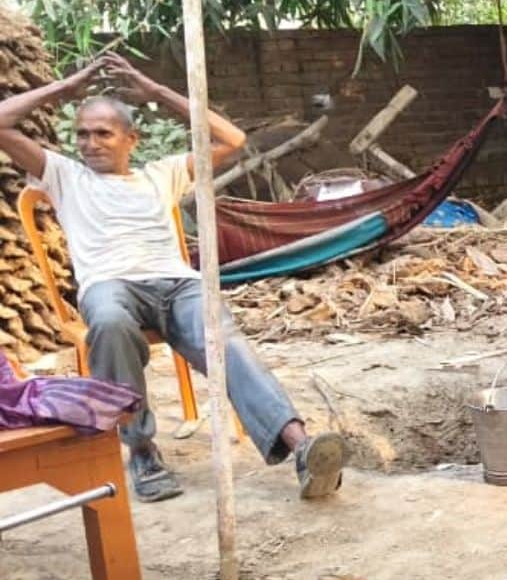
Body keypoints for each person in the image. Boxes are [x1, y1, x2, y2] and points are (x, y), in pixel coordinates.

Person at [0, 53, 346, 502]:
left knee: (224, 339)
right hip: (111, 287)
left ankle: (301, 448)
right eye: (82, 134)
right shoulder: (64, 175)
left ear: (131, 139)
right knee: (107, 322)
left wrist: (157, 91)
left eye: (103, 133)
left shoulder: (161, 174)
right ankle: (141, 450)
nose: (90, 143)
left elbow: (232, 138)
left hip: (176, 284)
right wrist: (64, 89)